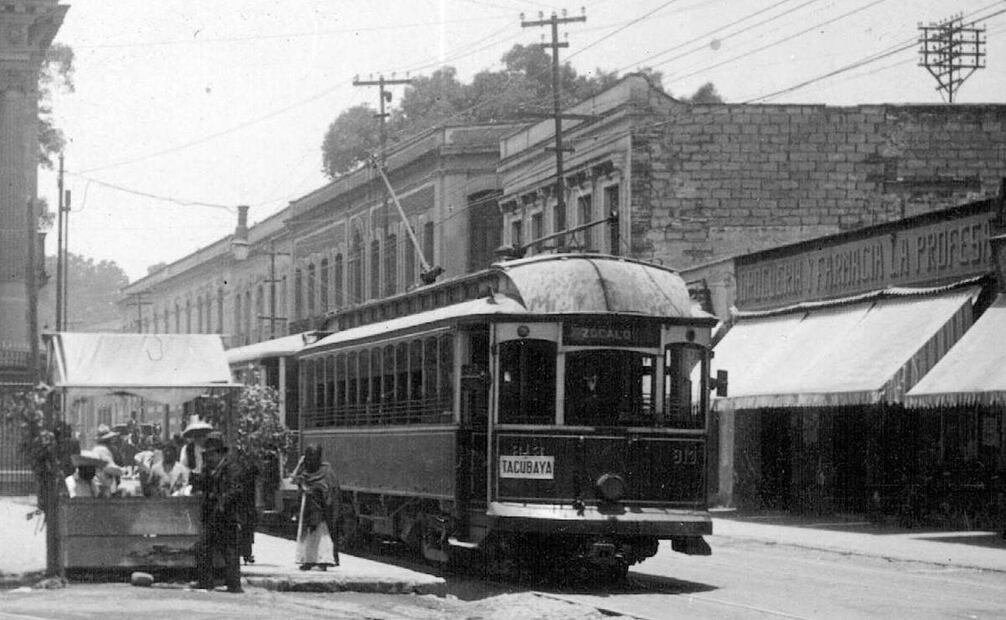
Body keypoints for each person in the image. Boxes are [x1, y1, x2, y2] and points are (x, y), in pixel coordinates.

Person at [193, 432, 245, 593]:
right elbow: (201, 485)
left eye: (210, 454)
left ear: (220, 453)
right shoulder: (209, 469)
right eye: (206, 454)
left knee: (229, 551)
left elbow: (235, 490)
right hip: (212, 516)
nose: (208, 458)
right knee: (203, 547)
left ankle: (234, 585)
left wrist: (222, 503)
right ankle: (206, 582)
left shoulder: (231, 468)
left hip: (227, 517)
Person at [292, 444, 340, 570]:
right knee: (314, 534)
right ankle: (314, 561)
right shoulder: (311, 471)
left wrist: (299, 464)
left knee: (319, 534)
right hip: (313, 506)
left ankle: (318, 561)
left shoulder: (322, 470)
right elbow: (293, 480)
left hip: (318, 506)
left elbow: (332, 488)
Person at [92, 427, 123, 496]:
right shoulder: (103, 450)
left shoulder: (96, 449)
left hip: (99, 481)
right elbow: (109, 467)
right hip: (103, 483)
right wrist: (122, 471)